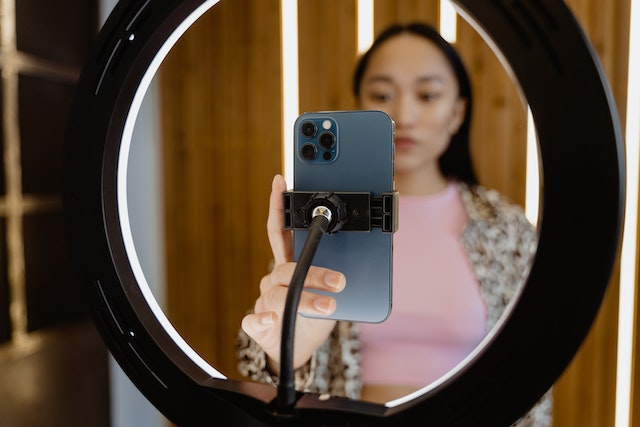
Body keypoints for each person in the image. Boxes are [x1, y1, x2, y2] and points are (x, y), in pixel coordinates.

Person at [237, 22, 551, 425]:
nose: (404, 114)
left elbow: (530, 376)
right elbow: (257, 368)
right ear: (360, 106)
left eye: (428, 95)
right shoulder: (325, 217)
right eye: (383, 94)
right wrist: (286, 355)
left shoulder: (505, 230)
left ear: (457, 112)